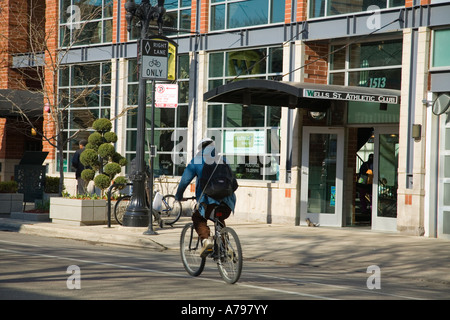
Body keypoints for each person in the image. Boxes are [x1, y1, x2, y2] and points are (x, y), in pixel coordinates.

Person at [175, 138, 236, 256]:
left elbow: (184, 181)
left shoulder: (196, 160)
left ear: (200, 149)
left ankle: (206, 241)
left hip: (207, 200)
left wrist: (178, 196)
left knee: (198, 218)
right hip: (227, 201)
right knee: (219, 219)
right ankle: (225, 248)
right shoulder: (223, 159)